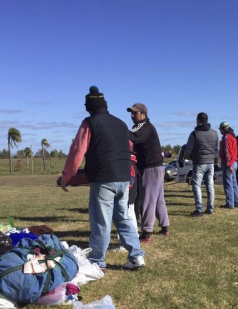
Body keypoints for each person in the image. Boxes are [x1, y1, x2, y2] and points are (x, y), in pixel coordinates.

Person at [60, 86, 145, 270]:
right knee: (123, 218)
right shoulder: (121, 124)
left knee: (101, 221)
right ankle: (136, 256)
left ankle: (98, 261)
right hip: (124, 176)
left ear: (88, 106)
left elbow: (77, 152)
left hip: (104, 178)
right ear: (105, 105)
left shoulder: (89, 123)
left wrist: (66, 177)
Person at [127, 103, 170, 243]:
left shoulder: (143, 126)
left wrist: (118, 131)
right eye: (131, 113)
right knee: (158, 199)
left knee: (148, 199)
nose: (132, 115)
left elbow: (133, 137)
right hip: (156, 166)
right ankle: (165, 227)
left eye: (135, 113)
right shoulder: (143, 127)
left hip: (150, 167)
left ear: (143, 114)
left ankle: (146, 232)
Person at [183, 112, 219, 216]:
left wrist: (188, 157)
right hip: (210, 162)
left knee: (197, 186)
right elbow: (217, 149)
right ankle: (210, 208)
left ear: (198, 120)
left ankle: (199, 209)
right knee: (210, 185)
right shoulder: (214, 133)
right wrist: (215, 159)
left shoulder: (195, 133)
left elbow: (188, 149)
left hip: (199, 162)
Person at [219, 122, 238, 208]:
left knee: (228, 184)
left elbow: (227, 151)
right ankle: (237, 202)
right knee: (234, 183)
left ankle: (230, 203)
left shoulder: (226, 137)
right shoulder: (233, 137)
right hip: (234, 161)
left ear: (222, 129)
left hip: (230, 163)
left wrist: (229, 165)